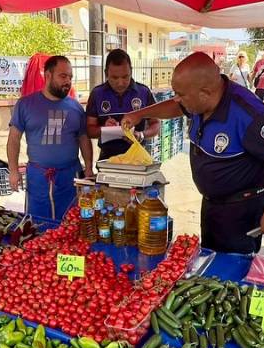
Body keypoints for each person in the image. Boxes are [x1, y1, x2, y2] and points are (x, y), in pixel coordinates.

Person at [121, 52, 264, 253]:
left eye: (181, 94)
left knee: (231, 274)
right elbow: (176, 106)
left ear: (205, 92)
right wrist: (140, 114)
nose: (177, 98)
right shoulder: (196, 100)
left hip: (241, 213)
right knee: (209, 260)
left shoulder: (249, 114)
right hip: (212, 206)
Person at [8, 55, 93, 220]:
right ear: (47, 75)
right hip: (38, 177)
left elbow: (84, 139)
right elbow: (13, 139)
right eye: (63, 76)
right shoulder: (25, 104)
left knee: (70, 225)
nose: (68, 81)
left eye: (70, 77)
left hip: (71, 177)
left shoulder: (76, 107)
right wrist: (13, 171)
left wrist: (88, 166)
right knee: (38, 225)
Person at [86, 49, 159, 161]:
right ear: (106, 74)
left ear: (131, 71)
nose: (120, 83)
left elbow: (156, 125)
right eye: (115, 78)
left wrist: (142, 135)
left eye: (125, 77)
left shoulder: (144, 92)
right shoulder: (97, 94)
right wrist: (104, 129)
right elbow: (89, 131)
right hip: (108, 159)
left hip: (138, 157)